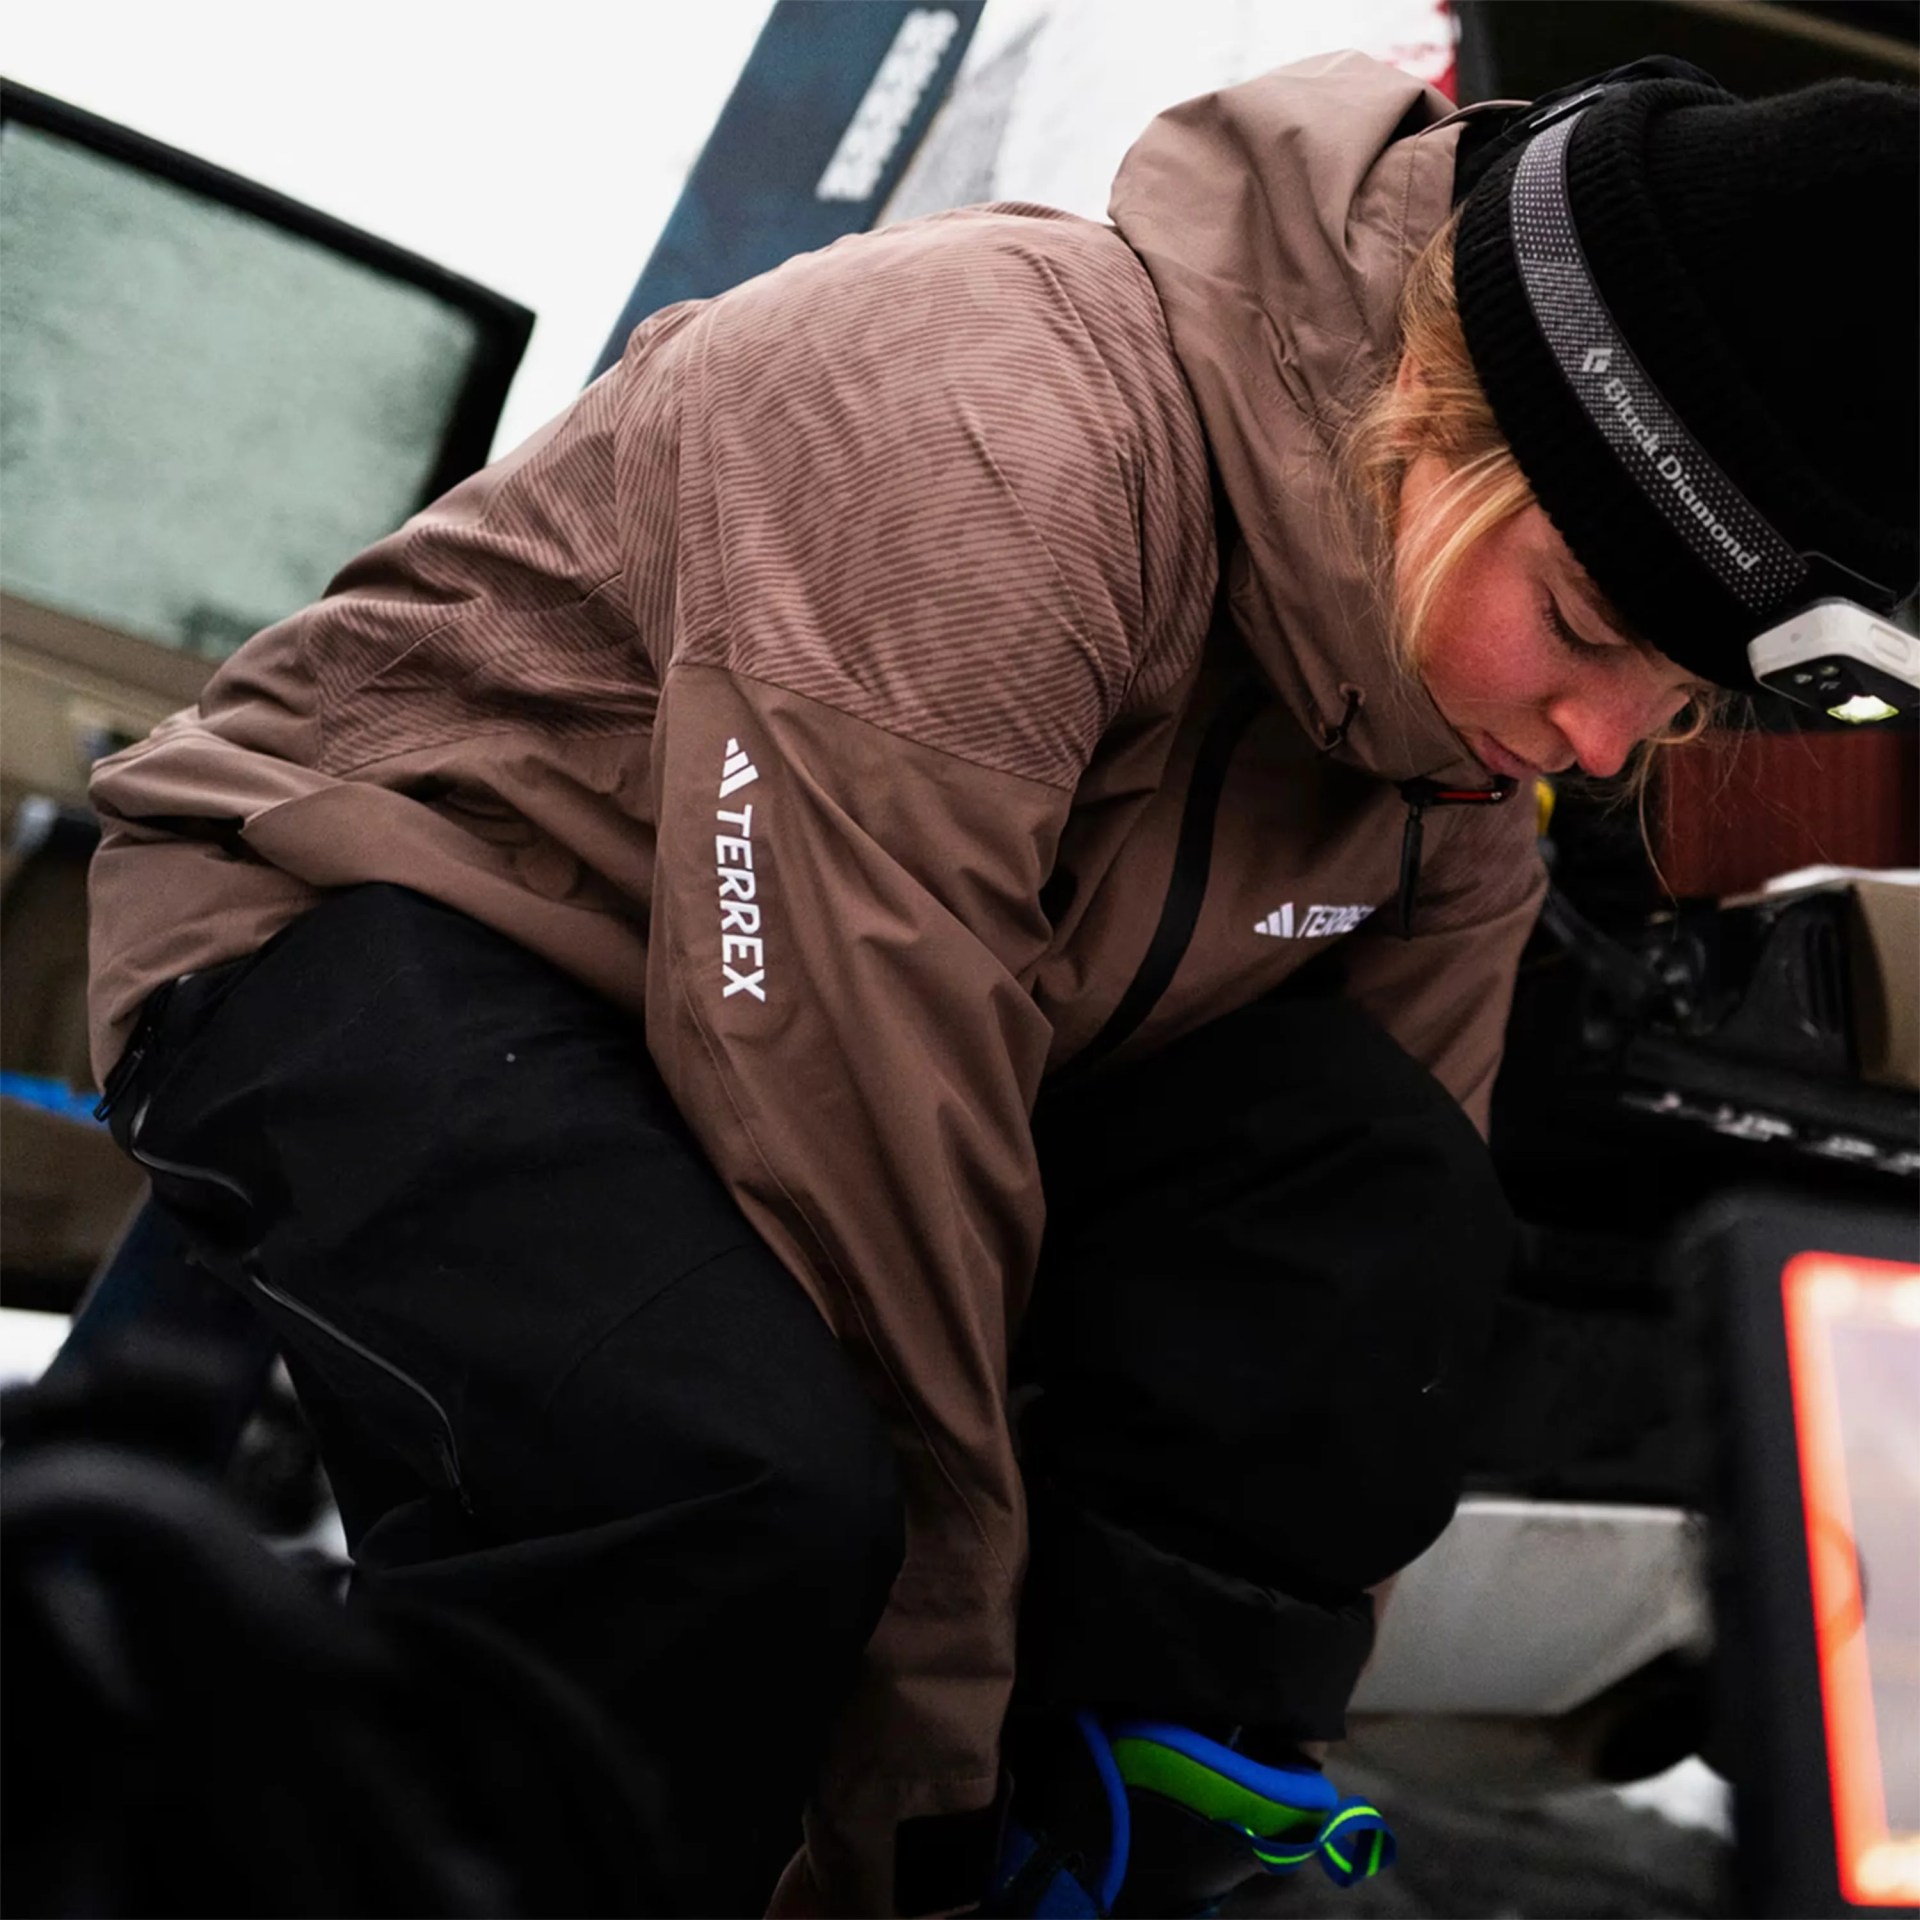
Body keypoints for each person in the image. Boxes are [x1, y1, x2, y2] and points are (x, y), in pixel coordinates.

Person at [84, 45, 1916, 1919]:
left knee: (1375, 1186)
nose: (1604, 742)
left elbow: (1381, 1301)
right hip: (386, 910)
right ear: (1438, 421)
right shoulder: (992, 423)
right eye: (1586, 629)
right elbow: (856, 1197)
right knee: (727, 1484)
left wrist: (1223, 1701)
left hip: (901, 1022)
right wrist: (912, 1842)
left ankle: (1127, 1837)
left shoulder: (1448, 741)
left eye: (1678, 698)